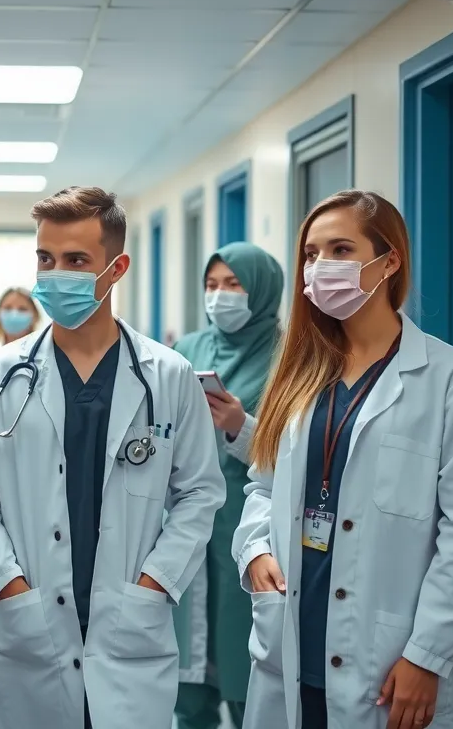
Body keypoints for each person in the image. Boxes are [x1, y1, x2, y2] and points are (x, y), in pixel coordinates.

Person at [0, 186, 227, 729]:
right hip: (29, 626)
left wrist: (156, 583)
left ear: (116, 267)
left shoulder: (166, 376)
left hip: (128, 626)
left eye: (76, 261)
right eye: (45, 259)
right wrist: (8, 584)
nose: (55, 275)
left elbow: (200, 492)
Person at [232, 190, 453, 729]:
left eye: (339, 249)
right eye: (311, 254)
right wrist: (255, 551)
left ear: (389, 261)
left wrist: (426, 654)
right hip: (291, 637)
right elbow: (262, 487)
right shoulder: (300, 373)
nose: (319, 267)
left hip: (389, 656)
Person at [172, 242, 284, 729]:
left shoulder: (292, 355)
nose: (220, 296)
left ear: (260, 291)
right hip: (187, 521)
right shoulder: (188, 349)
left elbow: (304, 454)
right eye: (212, 285)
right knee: (189, 671)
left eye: (234, 285)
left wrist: (241, 425)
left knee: (246, 668)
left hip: (251, 525)